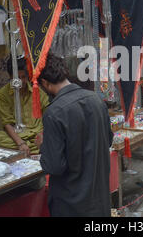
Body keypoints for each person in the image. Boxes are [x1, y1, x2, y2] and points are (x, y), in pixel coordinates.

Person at [36, 52, 113, 217]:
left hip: (71, 204)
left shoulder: (54, 112)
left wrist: (43, 146)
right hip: (99, 200)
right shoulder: (97, 100)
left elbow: (54, 166)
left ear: (44, 83)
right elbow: (108, 140)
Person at [0, 57, 49, 156]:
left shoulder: (36, 91)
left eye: (23, 77)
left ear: (28, 76)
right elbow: (7, 122)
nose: (21, 81)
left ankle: (29, 148)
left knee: (50, 137)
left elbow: (48, 115)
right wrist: (20, 143)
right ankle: (32, 148)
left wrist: (41, 135)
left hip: (37, 134)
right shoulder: (3, 93)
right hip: (17, 135)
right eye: (17, 78)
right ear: (10, 77)